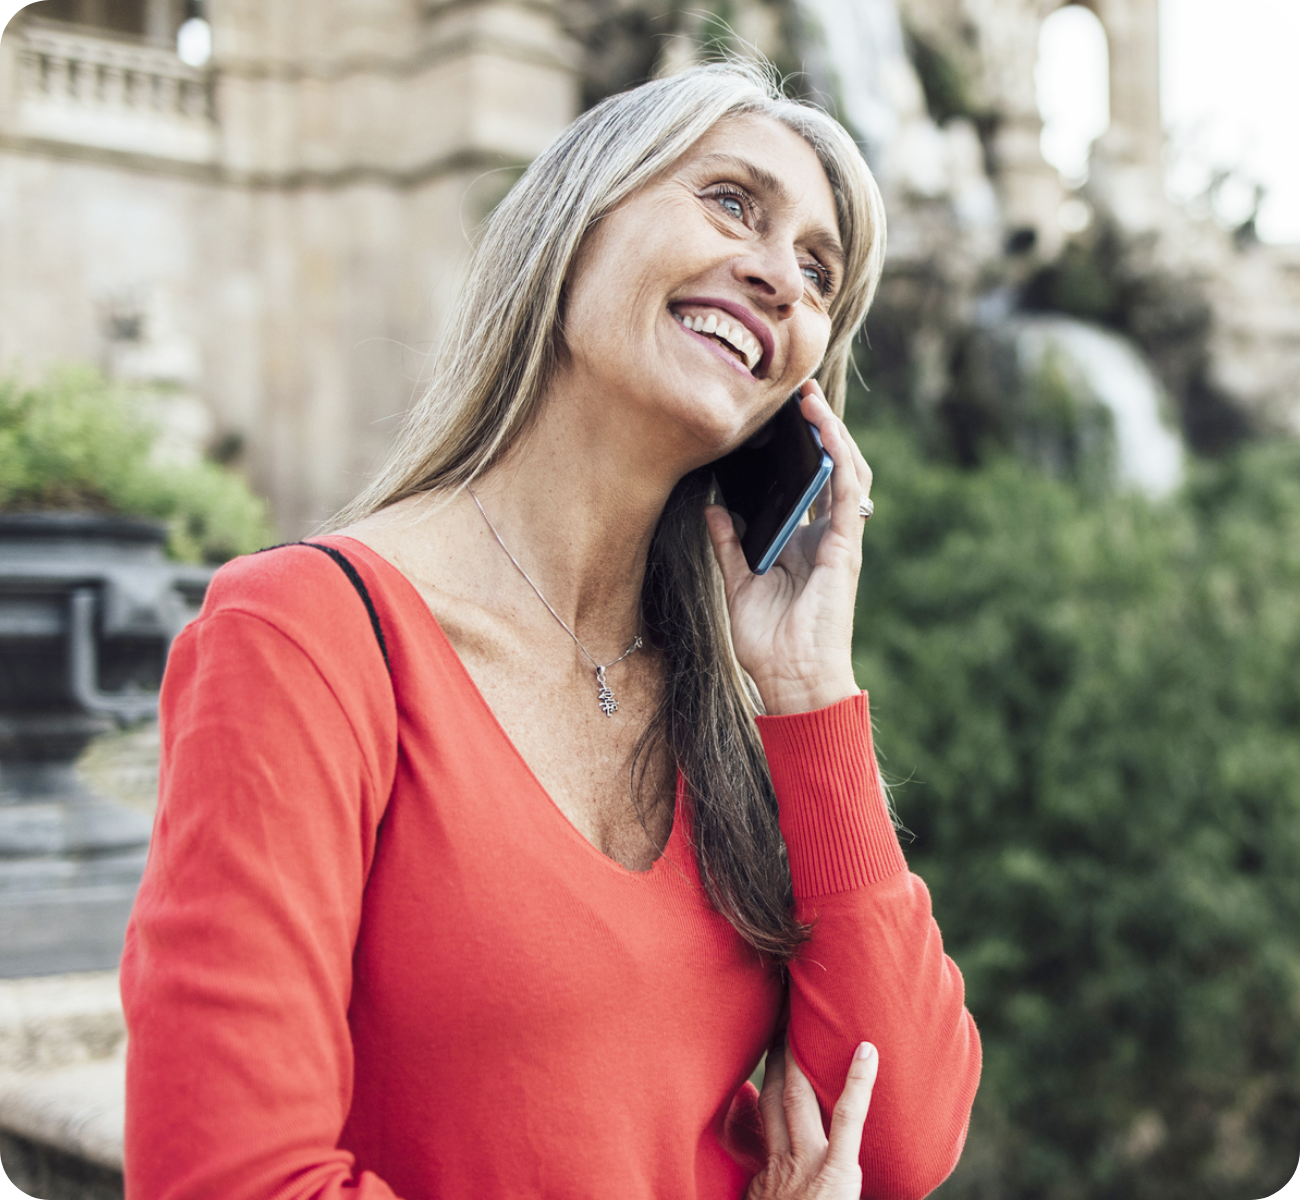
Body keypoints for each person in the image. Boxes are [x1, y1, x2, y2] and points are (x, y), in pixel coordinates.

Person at [121, 61, 980, 1200]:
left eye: (820, 275)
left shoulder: (722, 712)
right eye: (732, 202)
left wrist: (814, 694)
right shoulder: (303, 637)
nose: (780, 274)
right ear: (574, 225)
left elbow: (900, 1141)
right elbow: (230, 1180)